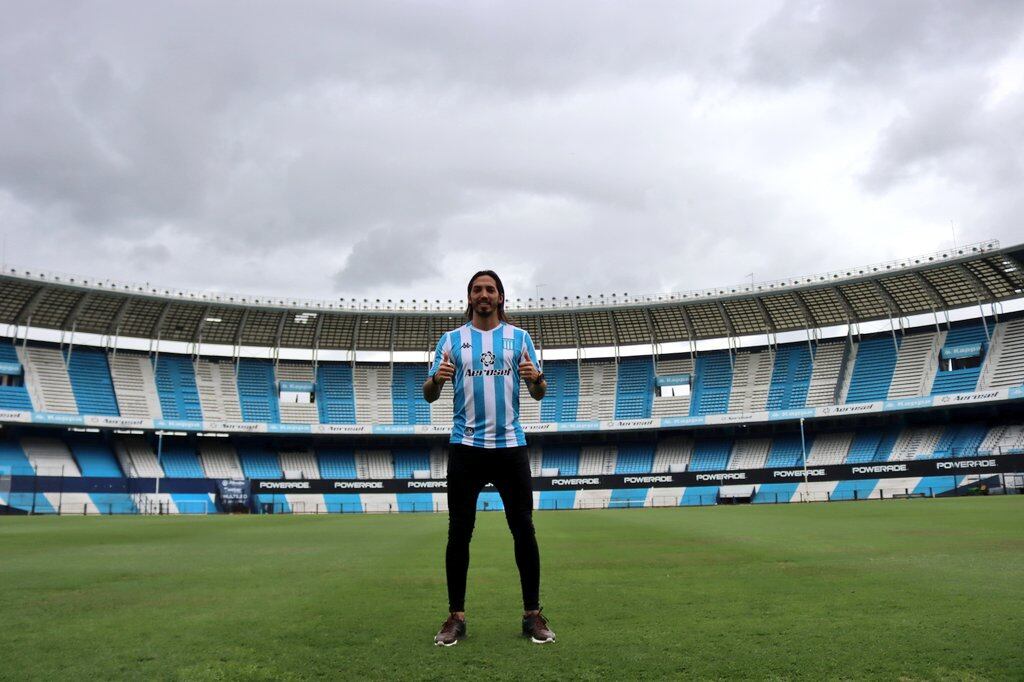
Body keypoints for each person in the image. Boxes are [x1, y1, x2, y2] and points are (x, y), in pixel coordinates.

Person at [423, 270, 556, 646]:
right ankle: (455, 617)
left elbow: (539, 393)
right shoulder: (451, 341)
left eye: (490, 289)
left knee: (524, 530)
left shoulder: (520, 338)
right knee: (459, 533)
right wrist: (438, 379)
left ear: (500, 297)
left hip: (510, 447)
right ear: (469, 296)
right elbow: (429, 394)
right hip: (466, 448)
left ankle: (533, 616)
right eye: (478, 289)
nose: (484, 294)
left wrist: (537, 378)